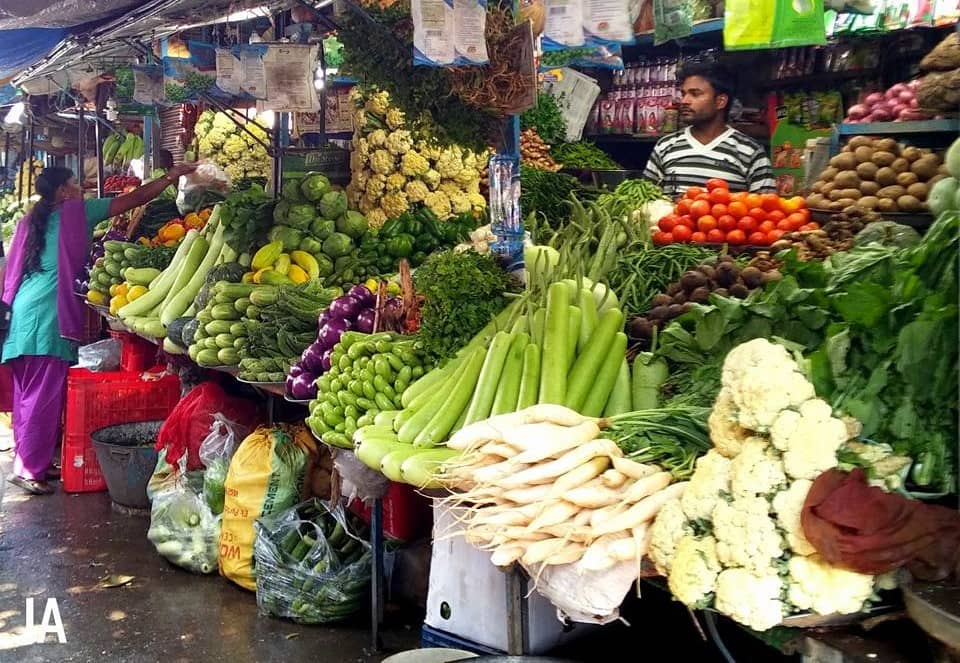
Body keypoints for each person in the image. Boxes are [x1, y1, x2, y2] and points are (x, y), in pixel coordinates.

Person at [1, 163, 196, 495]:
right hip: (49, 316)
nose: (81, 189)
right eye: (75, 184)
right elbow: (132, 201)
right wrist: (170, 177)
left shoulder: (30, 220)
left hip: (22, 313)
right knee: (41, 398)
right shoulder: (75, 212)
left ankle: (31, 460)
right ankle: (28, 469)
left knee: (26, 395)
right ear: (63, 191)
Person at [643, 61, 775, 197]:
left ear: (720, 101)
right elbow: (646, 201)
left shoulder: (750, 152)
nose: (684, 101)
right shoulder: (665, 146)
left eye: (695, 94)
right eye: (683, 94)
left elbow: (766, 209)